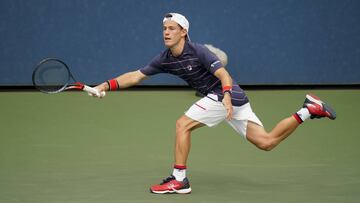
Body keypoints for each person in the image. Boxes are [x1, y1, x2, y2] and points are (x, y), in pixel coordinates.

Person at [93, 13, 336, 194]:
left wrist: (227, 95)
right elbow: (136, 76)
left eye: (172, 28)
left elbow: (224, 75)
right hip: (231, 99)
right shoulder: (164, 59)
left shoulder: (198, 51)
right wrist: (106, 85)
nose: (166, 32)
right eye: (164, 28)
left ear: (183, 32)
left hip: (224, 95)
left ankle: (180, 180)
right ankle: (308, 110)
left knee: (182, 125)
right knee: (266, 142)